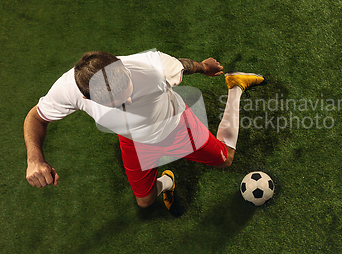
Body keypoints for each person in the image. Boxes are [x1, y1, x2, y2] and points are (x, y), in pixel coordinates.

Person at [24, 50, 266, 216]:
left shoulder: (154, 66)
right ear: (86, 98)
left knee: (226, 159)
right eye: (117, 103)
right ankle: (168, 181)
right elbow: (36, 117)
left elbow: (182, 65)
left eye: (129, 91)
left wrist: (204, 67)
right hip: (134, 142)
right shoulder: (68, 90)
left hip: (176, 125)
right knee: (145, 201)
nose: (128, 101)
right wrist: (35, 159)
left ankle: (236, 86)